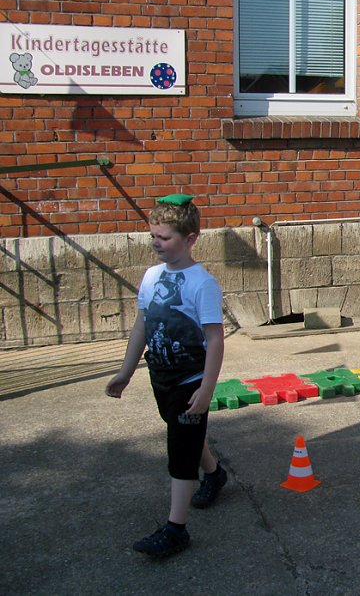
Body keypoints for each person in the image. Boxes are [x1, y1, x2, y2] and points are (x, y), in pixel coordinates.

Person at [105, 193, 227, 558]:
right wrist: (126, 371)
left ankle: (176, 529)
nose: (156, 243)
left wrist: (207, 387)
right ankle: (215, 474)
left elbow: (215, 339)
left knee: (179, 451)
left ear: (191, 239)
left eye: (165, 237)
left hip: (191, 379)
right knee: (182, 431)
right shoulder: (151, 276)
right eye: (153, 236)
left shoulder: (202, 283)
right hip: (161, 375)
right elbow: (142, 323)